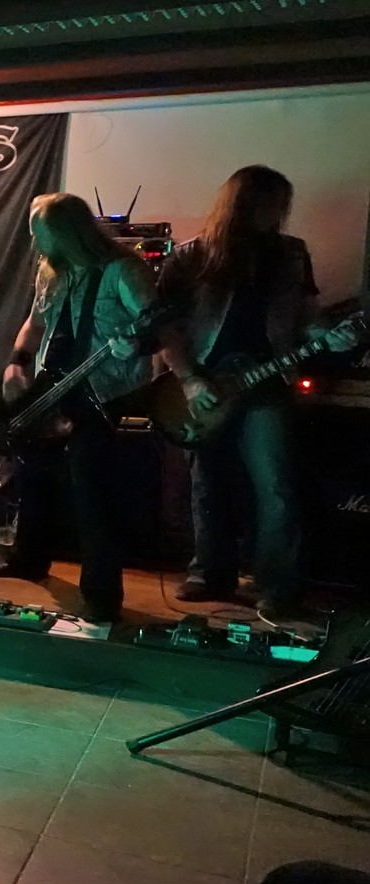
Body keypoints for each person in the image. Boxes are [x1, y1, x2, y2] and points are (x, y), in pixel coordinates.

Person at [156, 165, 359, 619]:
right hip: (206, 383)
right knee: (207, 484)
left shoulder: (291, 254)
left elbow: (308, 316)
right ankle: (209, 571)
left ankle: (276, 583)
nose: (281, 213)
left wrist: (331, 335)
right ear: (245, 204)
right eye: (273, 204)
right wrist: (189, 379)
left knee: (276, 485)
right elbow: (164, 329)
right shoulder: (190, 257)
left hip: (267, 382)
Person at [0, 193, 154, 623]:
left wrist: (138, 344)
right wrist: (17, 362)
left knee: (91, 489)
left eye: (38, 234)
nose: (34, 243)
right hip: (54, 383)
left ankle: (101, 594)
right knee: (32, 472)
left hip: (104, 390)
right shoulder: (51, 271)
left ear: (65, 233)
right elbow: (36, 323)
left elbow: (157, 324)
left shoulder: (123, 270)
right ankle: (29, 558)